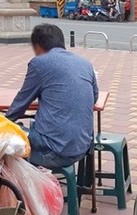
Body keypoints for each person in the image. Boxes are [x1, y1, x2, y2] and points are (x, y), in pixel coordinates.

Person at [6, 24, 99, 169]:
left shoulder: (39, 63)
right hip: (83, 147)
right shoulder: (85, 64)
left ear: (37, 46)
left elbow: (21, 102)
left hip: (54, 151)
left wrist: (3, 122)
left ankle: (20, 188)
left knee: (7, 137)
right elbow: (94, 97)